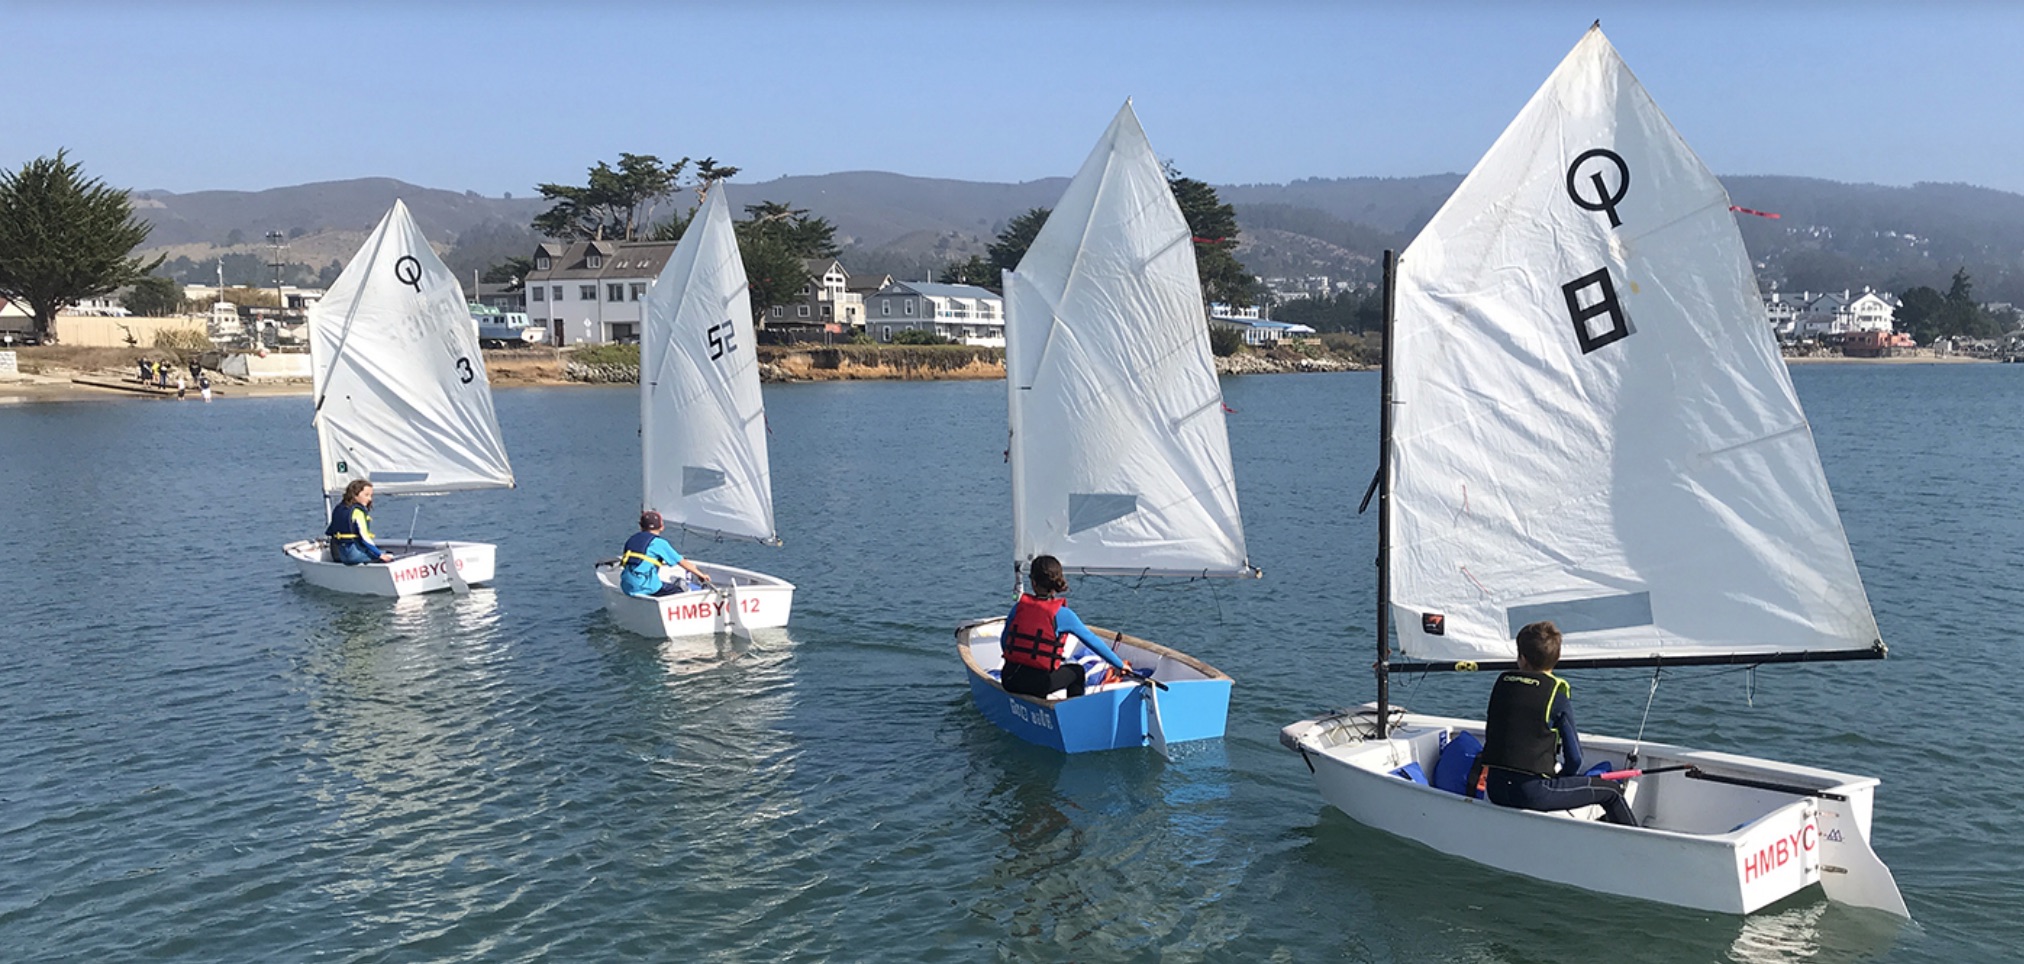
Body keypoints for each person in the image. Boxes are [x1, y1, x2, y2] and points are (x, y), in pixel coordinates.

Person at [1474, 621, 1636, 826]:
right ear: (1557, 658)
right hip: (1532, 794)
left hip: (1495, 790)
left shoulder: (1502, 685)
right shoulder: (1556, 696)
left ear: (1522, 658)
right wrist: (1562, 780)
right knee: (1611, 792)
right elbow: (1575, 759)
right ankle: (1645, 848)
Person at [997, 555, 1131, 700]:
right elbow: (1092, 640)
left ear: (1033, 582)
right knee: (1077, 671)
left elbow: (1005, 642)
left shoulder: (1018, 608)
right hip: (1038, 686)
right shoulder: (1062, 614)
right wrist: (1118, 664)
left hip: (1009, 679)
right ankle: (1074, 712)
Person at [618, 510, 711, 596]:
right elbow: (681, 562)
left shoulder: (632, 539)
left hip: (627, 586)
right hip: (645, 586)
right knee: (679, 591)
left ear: (640, 526)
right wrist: (701, 575)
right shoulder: (659, 543)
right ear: (662, 527)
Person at [325, 480, 393, 565]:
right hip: (353, 555)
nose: (370, 499)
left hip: (338, 555)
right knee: (389, 554)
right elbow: (365, 538)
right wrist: (379, 554)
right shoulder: (357, 512)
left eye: (371, 496)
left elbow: (330, 532)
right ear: (355, 494)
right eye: (366, 495)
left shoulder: (339, 509)